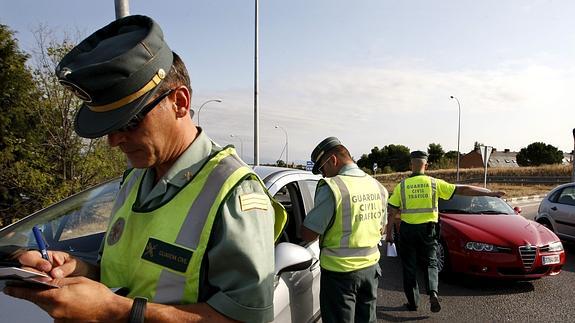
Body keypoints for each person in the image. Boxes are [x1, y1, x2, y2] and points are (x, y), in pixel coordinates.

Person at [3, 15, 286, 323]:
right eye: (108, 127)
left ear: (179, 101)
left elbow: (247, 318)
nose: (114, 141)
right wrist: (77, 268)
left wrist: (114, 311)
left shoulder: (234, 193)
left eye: (129, 122)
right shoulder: (135, 178)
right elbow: (123, 272)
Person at [386, 150, 505, 313]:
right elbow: (463, 190)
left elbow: (391, 212)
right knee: (431, 262)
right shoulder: (434, 183)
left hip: (408, 231)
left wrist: (388, 235)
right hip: (429, 230)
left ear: (410, 165)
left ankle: (413, 303)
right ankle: (433, 293)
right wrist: (490, 193)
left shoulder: (402, 185)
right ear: (426, 165)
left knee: (409, 267)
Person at [301, 137, 388, 323]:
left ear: (333, 160)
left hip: (340, 274)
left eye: (323, 169)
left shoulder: (334, 187)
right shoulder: (378, 187)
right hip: (371, 270)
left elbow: (308, 234)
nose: (324, 175)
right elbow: (382, 229)